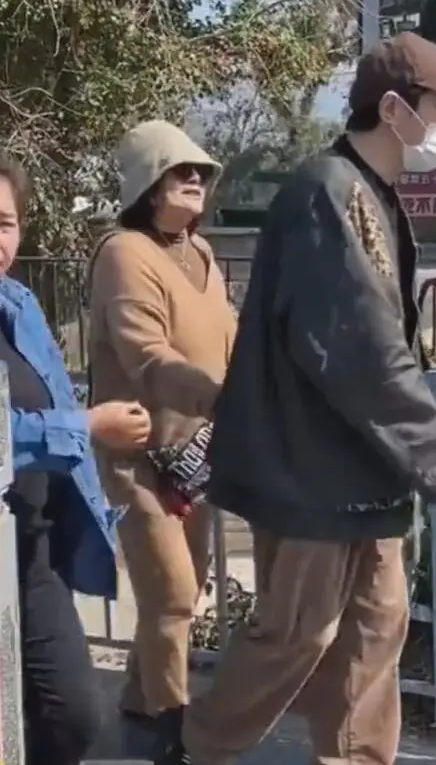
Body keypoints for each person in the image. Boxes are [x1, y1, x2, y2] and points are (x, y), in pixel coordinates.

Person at [182, 32, 436, 765]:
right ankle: (198, 748)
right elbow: (356, 347)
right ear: (393, 109)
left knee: (375, 632)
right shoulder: (327, 192)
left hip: (366, 467)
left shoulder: (367, 193)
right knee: (298, 634)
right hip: (310, 470)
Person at [86, 120, 237, 765]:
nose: (195, 178)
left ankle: (136, 702)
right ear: (149, 185)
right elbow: (145, 355)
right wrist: (217, 396)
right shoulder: (124, 252)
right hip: (136, 457)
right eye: (180, 170)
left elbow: (227, 341)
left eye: (201, 170)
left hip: (196, 457)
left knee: (181, 593)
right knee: (172, 596)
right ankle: (173, 734)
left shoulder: (202, 254)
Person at [0, 155, 152, 765]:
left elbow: (56, 401)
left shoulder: (19, 304)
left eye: (4, 223)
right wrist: (88, 426)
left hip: (33, 548)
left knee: (72, 714)